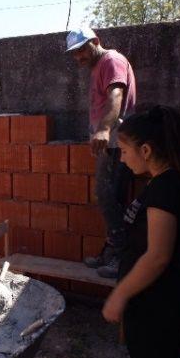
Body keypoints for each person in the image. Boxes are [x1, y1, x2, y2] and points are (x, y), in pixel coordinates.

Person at [102, 105, 180, 358]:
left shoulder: (165, 190)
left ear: (145, 150)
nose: (122, 158)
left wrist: (119, 295)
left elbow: (157, 256)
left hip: (154, 305)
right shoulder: (167, 183)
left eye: (124, 150)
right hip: (154, 301)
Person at [66, 26, 137, 278]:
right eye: (74, 53)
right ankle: (112, 251)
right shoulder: (99, 66)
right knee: (112, 198)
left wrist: (105, 130)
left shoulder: (111, 60)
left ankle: (120, 256)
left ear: (96, 41)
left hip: (117, 143)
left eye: (82, 50)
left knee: (107, 196)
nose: (78, 57)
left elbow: (116, 93)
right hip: (111, 143)